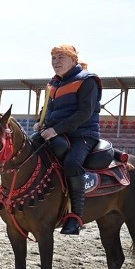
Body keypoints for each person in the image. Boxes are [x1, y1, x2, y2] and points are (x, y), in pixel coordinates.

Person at [32, 44, 102, 236]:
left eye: (61, 57)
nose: (56, 62)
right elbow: (48, 108)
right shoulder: (53, 82)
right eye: (53, 58)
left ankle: (76, 217)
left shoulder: (88, 80)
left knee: (72, 163)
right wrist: (40, 121)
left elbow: (84, 113)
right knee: (26, 152)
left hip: (83, 135)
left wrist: (55, 130)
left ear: (73, 60)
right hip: (54, 131)